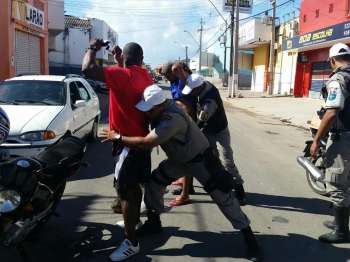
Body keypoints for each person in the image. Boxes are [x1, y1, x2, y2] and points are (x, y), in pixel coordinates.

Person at [101, 85, 263, 262]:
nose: (147, 113)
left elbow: (147, 142)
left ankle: (250, 238)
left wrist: (117, 137)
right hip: (179, 160)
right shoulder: (167, 107)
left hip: (200, 161)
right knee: (154, 183)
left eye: (150, 110)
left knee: (223, 197)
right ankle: (154, 223)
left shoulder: (171, 119)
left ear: (161, 106)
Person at [82, 39, 153, 261]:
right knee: (134, 188)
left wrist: (93, 47)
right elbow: (128, 79)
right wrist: (121, 62)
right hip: (141, 140)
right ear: (140, 60)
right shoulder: (144, 75)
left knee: (125, 191)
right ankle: (135, 221)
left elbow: (87, 69)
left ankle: (131, 242)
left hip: (127, 145)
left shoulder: (123, 76)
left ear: (127, 59)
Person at [174, 67, 246, 205]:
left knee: (227, 160)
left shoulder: (210, 100)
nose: (191, 94)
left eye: (192, 91)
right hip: (208, 129)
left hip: (219, 130)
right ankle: (220, 184)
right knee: (211, 159)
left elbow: (202, 119)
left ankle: (239, 189)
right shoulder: (201, 86)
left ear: (198, 88)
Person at [310, 43, 350, 244]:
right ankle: (340, 223)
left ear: (332, 60)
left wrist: (317, 140)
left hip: (344, 138)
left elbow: (332, 111)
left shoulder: (338, 79)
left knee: (336, 183)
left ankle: (342, 232)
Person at [161, 62, 197, 206]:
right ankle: (187, 184)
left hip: (189, 123)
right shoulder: (174, 81)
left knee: (187, 158)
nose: (166, 78)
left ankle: (185, 195)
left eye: (168, 75)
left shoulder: (183, 82)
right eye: (164, 76)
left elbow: (186, 105)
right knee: (184, 158)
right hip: (183, 121)